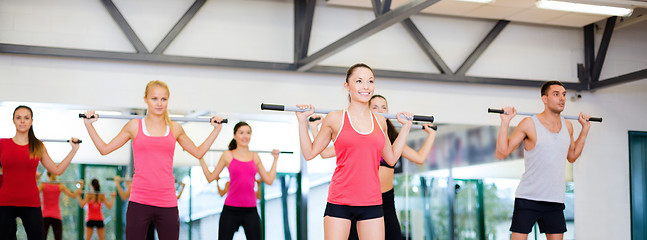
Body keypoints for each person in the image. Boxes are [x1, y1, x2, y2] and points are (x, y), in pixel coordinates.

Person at [82, 80, 224, 239]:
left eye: (163, 99)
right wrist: (89, 125)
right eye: (154, 98)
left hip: (167, 202)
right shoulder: (134, 126)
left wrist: (216, 130)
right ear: (145, 99)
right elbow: (104, 149)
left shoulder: (175, 128)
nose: (159, 103)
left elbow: (198, 152)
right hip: (139, 201)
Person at [295, 63, 414, 239]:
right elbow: (310, 152)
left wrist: (406, 127)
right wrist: (301, 122)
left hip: (371, 202)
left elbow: (391, 158)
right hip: (340, 201)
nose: (365, 86)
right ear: (347, 86)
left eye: (370, 81)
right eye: (359, 81)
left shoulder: (380, 122)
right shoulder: (335, 118)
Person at [309, 94, 437, 240]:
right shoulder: (357, 137)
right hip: (358, 199)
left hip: (385, 201)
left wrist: (431, 135)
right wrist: (314, 128)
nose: (380, 111)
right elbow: (323, 152)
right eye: (375, 107)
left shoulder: (394, 138)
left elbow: (419, 158)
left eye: (384, 107)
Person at [495, 81, 591, 240]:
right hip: (528, 197)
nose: (562, 98)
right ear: (544, 99)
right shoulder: (529, 124)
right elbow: (502, 153)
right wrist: (505, 122)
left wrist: (585, 129)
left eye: (564, 94)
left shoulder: (568, 126)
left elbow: (572, 156)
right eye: (556, 94)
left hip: (554, 199)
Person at [0, 105, 80, 239]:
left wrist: (73, 150)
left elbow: (57, 170)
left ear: (31, 121)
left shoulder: (38, 146)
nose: (22, 121)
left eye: (26, 118)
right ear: (13, 120)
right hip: (5, 202)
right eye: (18, 118)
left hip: (31, 202)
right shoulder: (2, 144)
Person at [198, 121, 280, 240]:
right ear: (235, 135)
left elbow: (269, 180)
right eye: (241, 133)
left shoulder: (255, 157)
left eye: (248, 133)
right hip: (231, 209)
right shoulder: (227, 155)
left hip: (250, 210)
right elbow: (211, 177)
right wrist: (201, 159)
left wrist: (275, 160)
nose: (245, 136)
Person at [114, 175, 186, 240]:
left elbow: (175, 197)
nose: (127, 181)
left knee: (150, 235)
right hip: (137, 213)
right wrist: (117, 183)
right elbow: (124, 196)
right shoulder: (134, 186)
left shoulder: (134, 185)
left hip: (149, 213)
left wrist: (117, 183)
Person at [38, 172, 84, 240]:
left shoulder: (43, 185)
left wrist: (36, 180)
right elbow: (73, 195)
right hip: (56, 216)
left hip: (45, 215)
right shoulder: (60, 186)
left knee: (42, 238)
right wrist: (81, 186)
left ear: (47, 175)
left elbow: (33, 193)